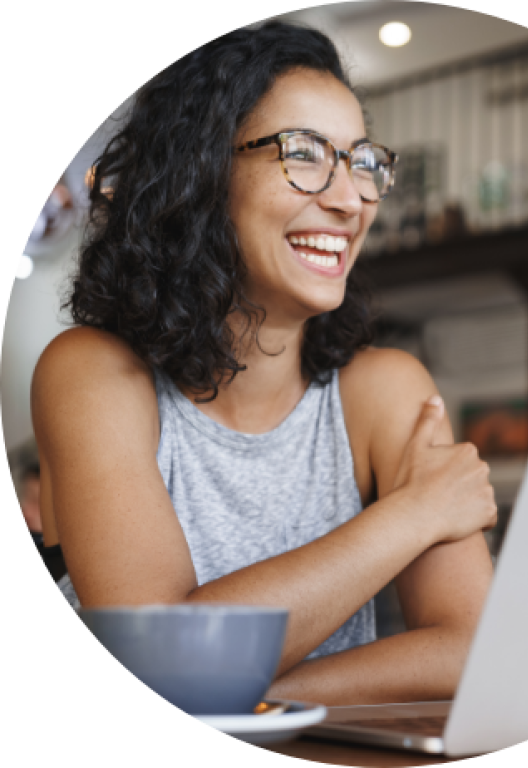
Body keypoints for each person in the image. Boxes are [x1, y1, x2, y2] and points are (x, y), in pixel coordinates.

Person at [31, 22, 497, 705]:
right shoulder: (94, 373)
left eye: (363, 161)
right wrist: (414, 515)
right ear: (202, 173)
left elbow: (470, 647)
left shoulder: (386, 391)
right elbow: (160, 654)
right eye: (303, 154)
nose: (350, 200)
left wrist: (261, 697)